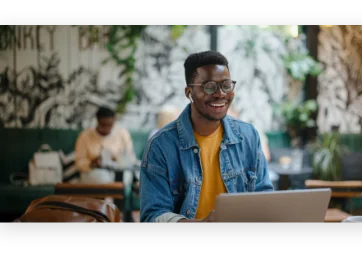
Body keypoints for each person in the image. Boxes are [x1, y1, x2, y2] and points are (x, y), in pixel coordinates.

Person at [139, 51, 274, 223]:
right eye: (209, 87)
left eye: (226, 85)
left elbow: (264, 198)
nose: (220, 94)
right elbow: (153, 215)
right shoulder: (161, 145)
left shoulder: (248, 136)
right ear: (189, 93)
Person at [75, 106, 138, 186]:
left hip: (118, 171)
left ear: (114, 121)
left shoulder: (123, 134)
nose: (107, 128)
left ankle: (112, 196)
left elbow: (131, 158)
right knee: (102, 177)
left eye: (110, 125)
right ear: (97, 121)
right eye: (103, 125)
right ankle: (110, 196)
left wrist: (117, 158)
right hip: (94, 172)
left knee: (124, 176)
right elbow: (79, 162)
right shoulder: (85, 136)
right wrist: (92, 163)